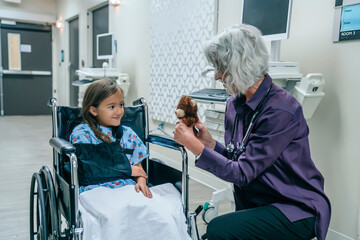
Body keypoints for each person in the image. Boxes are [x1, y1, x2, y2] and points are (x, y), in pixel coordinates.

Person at [174, 24, 331, 240]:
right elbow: (239, 159)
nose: (218, 76)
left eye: (222, 68)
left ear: (242, 64)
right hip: (260, 201)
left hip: (295, 206)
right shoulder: (234, 104)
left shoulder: (281, 109)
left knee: (218, 230)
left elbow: (243, 173)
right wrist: (209, 143)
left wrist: (195, 146)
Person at [70, 78, 152, 198]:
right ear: (93, 110)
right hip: (94, 190)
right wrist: (125, 169)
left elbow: (138, 169)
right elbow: (88, 169)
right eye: (112, 107)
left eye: (121, 105)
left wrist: (141, 182)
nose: (119, 111)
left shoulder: (128, 134)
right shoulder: (82, 134)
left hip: (126, 189)